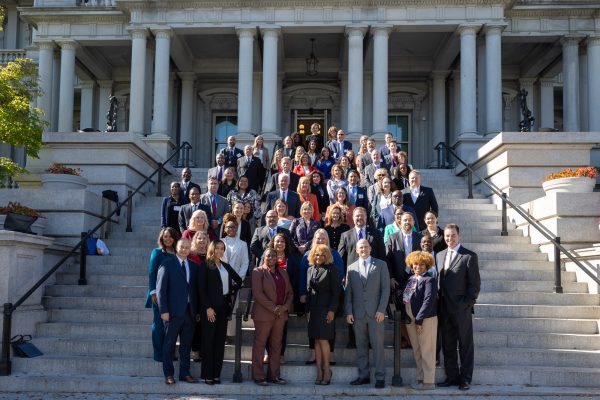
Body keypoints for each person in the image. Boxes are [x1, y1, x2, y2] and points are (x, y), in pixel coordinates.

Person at [436, 224, 481, 391]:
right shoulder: (439, 255)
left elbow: (474, 285)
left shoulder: (469, 256)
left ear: (459, 236)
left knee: (465, 345)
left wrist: (466, 304)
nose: (449, 238)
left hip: (462, 310)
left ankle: (465, 378)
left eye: (453, 235)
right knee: (448, 345)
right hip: (444, 309)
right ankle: (452, 377)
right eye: (447, 236)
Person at [345, 239, 390, 389]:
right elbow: (348, 293)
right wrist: (349, 311)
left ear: (370, 248)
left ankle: (380, 377)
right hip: (358, 314)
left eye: (365, 247)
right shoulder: (351, 268)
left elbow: (386, 289)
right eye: (360, 248)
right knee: (361, 346)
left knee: (378, 347)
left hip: (375, 314)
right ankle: (363, 376)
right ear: (356, 250)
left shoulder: (381, 265)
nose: (363, 249)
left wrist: (381, 310)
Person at [156, 238, 200, 385]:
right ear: (176, 247)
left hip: (189, 312)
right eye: (182, 247)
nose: (184, 250)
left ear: (190, 249)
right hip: (172, 312)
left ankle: (184, 373)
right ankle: (168, 374)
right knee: (169, 344)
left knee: (186, 345)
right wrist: (163, 310)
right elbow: (160, 290)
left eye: (187, 247)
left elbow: (195, 291)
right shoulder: (167, 264)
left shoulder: (194, 266)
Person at [198, 240, 242, 385]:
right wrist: (207, 308)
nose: (219, 251)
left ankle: (216, 374)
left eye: (222, 249)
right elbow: (201, 289)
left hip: (223, 309)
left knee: (219, 343)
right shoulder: (205, 265)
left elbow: (239, 280)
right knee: (208, 342)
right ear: (212, 249)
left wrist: (230, 293)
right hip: (210, 310)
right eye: (217, 248)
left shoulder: (225, 266)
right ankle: (207, 375)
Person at [251, 248, 293, 386]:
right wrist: (273, 307)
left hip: (280, 315)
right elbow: (258, 294)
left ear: (277, 258)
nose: (271, 258)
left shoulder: (283, 273)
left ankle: (274, 376)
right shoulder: (258, 272)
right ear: (264, 257)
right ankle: (258, 376)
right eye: (268, 256)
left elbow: (290, 293)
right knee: (260, 344)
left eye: (274, 256)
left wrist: (285, 307)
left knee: (276, 346)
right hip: (264, 315)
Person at [403, 251, 438, 390]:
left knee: (427, 350)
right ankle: (420, 378)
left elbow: (428, 300)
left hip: (425, 319)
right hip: (411, 318)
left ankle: (429, 382)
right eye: (415, 264)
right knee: (417, 350)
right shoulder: (411, 279)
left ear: (427, 266)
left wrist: (419, 319)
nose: (418, 267)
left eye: (422, 265)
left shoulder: (430, 280)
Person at [306, 244, 340, 385]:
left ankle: (327, 370)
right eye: (316, 254)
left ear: (326, 257)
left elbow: (336, 292)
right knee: (316, 340)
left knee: (324, 340)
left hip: (326, 309)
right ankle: (319, 371)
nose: (318, 257)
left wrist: (332, 310)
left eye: (321, 255)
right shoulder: (310, 270)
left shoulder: (332, 269)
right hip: (313, 310)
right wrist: (307, 310)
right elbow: (309, 291)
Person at [265, 233, 302, 362]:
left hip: (285, 299)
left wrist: (289, 299)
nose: (279, 244)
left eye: (282, 241)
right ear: (273, 243)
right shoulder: (267, 257)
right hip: (269, 299)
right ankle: (268, 353)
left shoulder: (291, 259)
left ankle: (280, 354)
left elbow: (295, 279)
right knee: (268, 327)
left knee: (282, 328)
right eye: (277, 241)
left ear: (286, 244)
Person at [146, 227, 180, 363]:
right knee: (159, 324)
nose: (168, 239)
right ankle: (158, 353)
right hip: (159, 295)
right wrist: (152, 291)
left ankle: (169, 352)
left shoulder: (178, 253)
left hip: (174, 296)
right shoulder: (157, 252)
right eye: (165, 236)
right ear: (161, 238)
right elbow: (152, 272)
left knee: (171, 327)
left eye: (170, 237)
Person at [386, 212, 422, 328]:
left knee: (413, 305)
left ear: (414, 222)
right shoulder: (392, 238)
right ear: (400, 223)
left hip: (414, 276)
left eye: (409, 220)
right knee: (400, 308)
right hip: (397, 277)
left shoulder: (419, 238)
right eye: (405, 220)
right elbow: (388, 259)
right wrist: (391, 277)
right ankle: (403, 336)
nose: (407, 222)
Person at [188, 230, 209, 362]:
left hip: (207, 295)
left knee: (205, 324)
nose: (201, 241)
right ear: (195, 240)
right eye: (199, 238)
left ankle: (203, 350)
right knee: (195, 323)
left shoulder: (211, 257)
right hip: (194, 294)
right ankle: (194, 350)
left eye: (204, 239)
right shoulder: (190, 256)